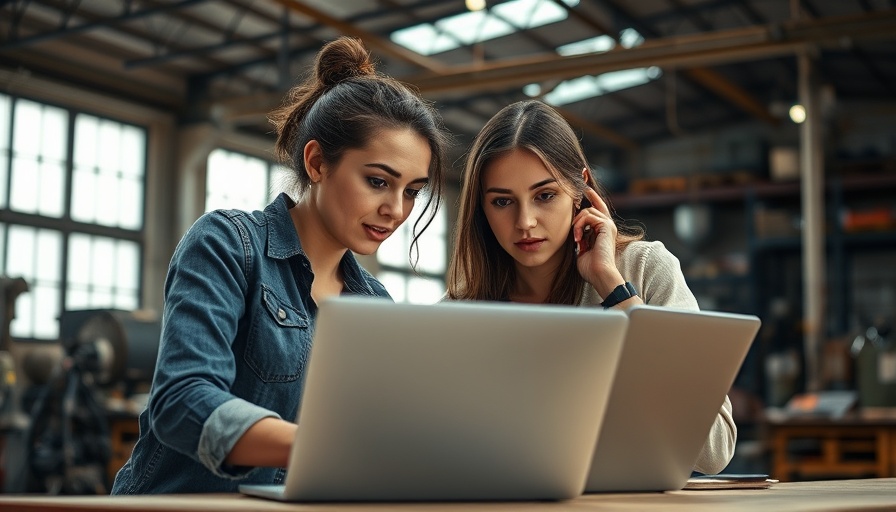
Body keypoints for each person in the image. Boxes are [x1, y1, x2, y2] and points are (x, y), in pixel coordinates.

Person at [111, 37, 450, 494]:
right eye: (377, 181)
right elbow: (182, 402)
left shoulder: (376, 305)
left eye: (412, 190)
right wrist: (322, 445)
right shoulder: (228, 245)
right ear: (316, 162)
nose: (396, 209)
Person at [445, 100, 735, 475]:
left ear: (578, 189)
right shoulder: (461, 310)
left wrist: (613, 288)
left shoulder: (644, 269)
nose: (525, 222)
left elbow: (713, 450)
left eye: (544, 195)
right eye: (502, 202)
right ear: (481, 210)